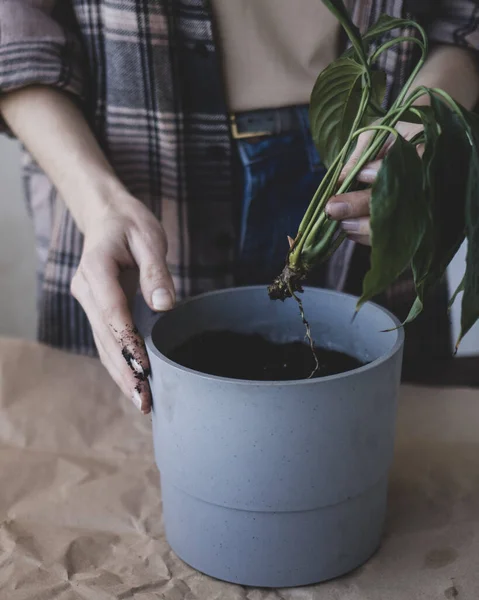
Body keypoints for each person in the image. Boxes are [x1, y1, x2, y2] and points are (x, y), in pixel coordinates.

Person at [1, 1, 478, 414]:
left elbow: (464, 17)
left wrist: (421, 129)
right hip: (138, 173)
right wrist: (98, 203)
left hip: (365, 150)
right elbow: (14, 26)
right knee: (134, 419)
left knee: (375, 421)